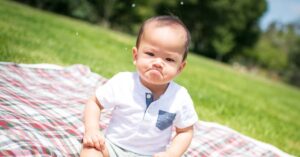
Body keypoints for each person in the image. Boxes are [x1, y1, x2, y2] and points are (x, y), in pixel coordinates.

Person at [80, 15, 198, 157]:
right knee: (90, 151)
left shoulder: (179, 97)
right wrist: (92, 129)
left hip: (150, 155)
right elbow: (94, 103)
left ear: (180, 67)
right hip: (111, 146)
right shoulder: (123, 82)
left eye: (169, 59)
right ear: (136, 56)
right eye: (150, 53)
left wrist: (171, 153)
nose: (158, 63)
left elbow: (185, 131)